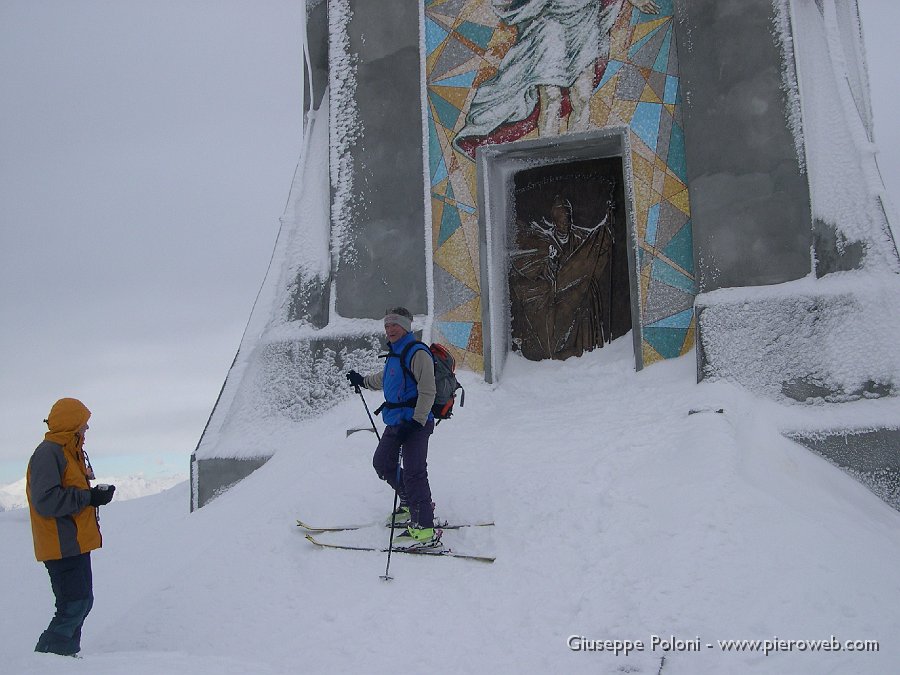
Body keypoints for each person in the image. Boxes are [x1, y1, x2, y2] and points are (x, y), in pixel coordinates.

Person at [26, 398, 115, 657]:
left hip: (74, 543)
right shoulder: (48, 453)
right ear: (72, 424)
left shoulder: (68, 451)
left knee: (82, 603)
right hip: (60, 544)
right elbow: (46, 500)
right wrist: (89, 497)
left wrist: (95, 494)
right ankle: (47, 659)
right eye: (84, 425)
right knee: (73, 605)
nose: (86, 431)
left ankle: (64, 657)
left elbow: (68, 491)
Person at [346, 307, 441, 546]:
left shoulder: (417, 352)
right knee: (383, 463)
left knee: (414, 472)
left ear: (406, 326)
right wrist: (363, 381)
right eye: (387, 326)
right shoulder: (395, 354)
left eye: (394, 325)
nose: (389, 330)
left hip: (415, 423)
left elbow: (428, 390)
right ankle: (409, 503)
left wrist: (416, 422)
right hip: (396, 421)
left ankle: (424, 527)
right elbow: (385, 378)